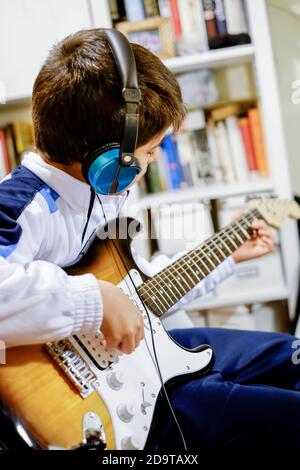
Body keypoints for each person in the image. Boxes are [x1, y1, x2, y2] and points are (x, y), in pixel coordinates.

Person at [0, 28, 299, 450]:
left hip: (148, 358)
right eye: (151, 150)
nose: (154, 159)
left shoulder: (100, 194)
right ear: (109, 161)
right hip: (120, 400)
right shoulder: (20, 204)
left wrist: (229, 256)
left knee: (294, 355)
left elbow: (135, 292)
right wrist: (95, 300)